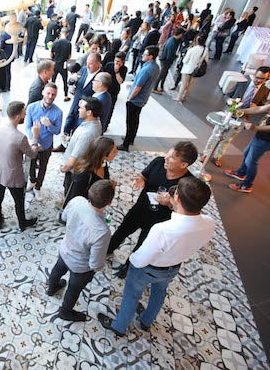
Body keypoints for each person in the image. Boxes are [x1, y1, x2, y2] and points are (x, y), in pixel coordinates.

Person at [98, 177, 215, 336]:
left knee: (132, 295)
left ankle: (119, 326)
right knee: (159, 293)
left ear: (177, 198)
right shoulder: (209, 223)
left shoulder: (163, 229)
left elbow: (141, 259)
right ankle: (146, 320)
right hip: (173, 267)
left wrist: (132, 260)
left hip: (148, 269)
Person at [108, 141, 198, 279]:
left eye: (172, 157)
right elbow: (143, 175)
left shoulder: (187, 183)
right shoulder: (158, 162)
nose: (166, 158)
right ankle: (108, 249)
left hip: (158, 221)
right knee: (122, 230)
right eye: (168, 154)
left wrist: (170, 203)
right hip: (140, 209)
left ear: (183, 165)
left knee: (143, 244)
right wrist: (140, 180)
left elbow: (184, 213)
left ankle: (128, 267)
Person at [47, 180, 115, 321]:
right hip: (80, 266)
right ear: (109, 203)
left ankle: (52, 288)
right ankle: (65, 312)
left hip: (65, 250)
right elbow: (95, 263)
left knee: (58, 269)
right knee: (74, 289)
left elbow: (64, 217)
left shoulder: (77, 200)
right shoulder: (102, 231)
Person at [225, 78, 270, 193]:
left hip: (269, 139)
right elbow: (260, 109)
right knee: (247, 153)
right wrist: (240, 111)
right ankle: (241, 173)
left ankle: (247, 185)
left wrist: (255, 128)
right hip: (262, 134)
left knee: (251, 161)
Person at [201, 66, 270, 167]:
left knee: (228, 138)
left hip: (243, 117)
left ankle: (217, 157)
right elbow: (227, 95)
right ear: (254, 74)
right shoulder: (242, 84)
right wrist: (229, 100)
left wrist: (256, 107)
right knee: (216, 134)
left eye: (263, 79)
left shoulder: (265, 90)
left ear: (266, 79)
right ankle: (206, 154)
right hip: (229, 113)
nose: (259, 80)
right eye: (258, 77)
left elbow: (261, 106)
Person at [0, 101, 41, 230]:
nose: (25, 115)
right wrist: (35, 138)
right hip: (13, 175)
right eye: (24, 113)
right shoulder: (20, 137)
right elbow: (32, 154)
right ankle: (22, 223)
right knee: (19, 201)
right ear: (18, 117)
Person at [118, 45, 161, 152]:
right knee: (135, 120)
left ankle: (126, 143)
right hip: (143, 99)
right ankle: (130, 138)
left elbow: (138, 87)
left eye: (145, 54)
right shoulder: (156, 67)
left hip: (135, 99)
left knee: (130, 122)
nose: (142, 56)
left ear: (151, 56)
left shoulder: (146, 69)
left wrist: (130, 98)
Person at [25, 83, 63, 202]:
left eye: (53, 94)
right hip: (33, 143)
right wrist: (34, 140)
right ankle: (32, 180)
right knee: (30, 164)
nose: (50, 96)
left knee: (43, 167)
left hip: (47, 145)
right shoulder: (31, 107)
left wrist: (49, 125)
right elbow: (27, 127)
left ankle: (38, 187)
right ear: (43, 92)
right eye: (48, 93)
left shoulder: (58, 112)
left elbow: (57, 131)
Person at [60, 97, 103, 196]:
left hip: (74, 172)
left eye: (81, 108)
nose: (78, 110)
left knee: (69, 195)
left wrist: (63, 168)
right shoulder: (96, 122)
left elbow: (71, 162)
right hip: (80, 169)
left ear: (89, 112)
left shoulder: (86, 134)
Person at [64, 136, 117, 208]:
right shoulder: (84, 174)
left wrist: (108, 183)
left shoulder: (103, 163)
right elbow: (74, 198)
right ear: (103, 155)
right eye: (114, 151)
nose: (117, 152)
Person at [63, 52, 102, 136]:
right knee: (69, 120)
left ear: (98, 64)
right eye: (87, 63)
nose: (88, 66)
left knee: (79, 126)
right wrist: (72, 79)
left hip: (86, 107)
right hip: (76, 102)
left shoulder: (101, 76)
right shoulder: (83, 69)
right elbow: (70, 82)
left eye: (90, 64)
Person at [176, 34, 209, 103]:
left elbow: (185, 60)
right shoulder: (205, 50)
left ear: (197, 41)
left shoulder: (191, 49)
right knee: (191, 84)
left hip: (187, 69)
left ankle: (179, 97)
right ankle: (185, 97)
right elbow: (206, 61)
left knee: (184, 84)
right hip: (196, 69)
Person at [154, 27, 184, 93]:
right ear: (180, 34)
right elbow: (169, 55)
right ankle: (155, 87)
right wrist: (175, 56)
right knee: (162, 74)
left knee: (164, 73)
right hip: (166, 60)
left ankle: (161, 86)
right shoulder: (173, 42)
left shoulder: (172, 39)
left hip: (164, 58)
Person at [103, 52, 128, 129]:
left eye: (118, 61)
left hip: (114, 91)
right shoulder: (109, 65)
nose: (116, 63)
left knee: (110, 108)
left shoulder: (124, 69)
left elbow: (120, 81)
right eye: (115, 61)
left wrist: (117, 72)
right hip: (105, 89)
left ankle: (106, 124)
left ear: (122, 61)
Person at [50, 28, 72, 100]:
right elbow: (69, 56)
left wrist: (54, 58)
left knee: (53, 80)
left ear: (60, 33)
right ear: (67, 34)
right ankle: (65, 95)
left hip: (55, 63)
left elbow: (51, 54)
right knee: (65, 81)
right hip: (63, 64)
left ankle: (50, 93)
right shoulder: (68, 43)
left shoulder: (55, 42)